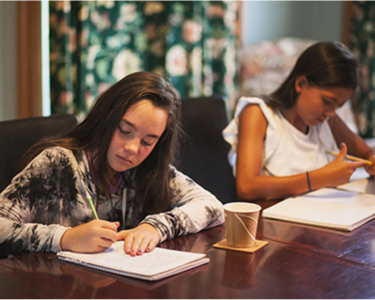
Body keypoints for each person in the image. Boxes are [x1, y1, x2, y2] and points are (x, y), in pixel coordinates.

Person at [0, 71, 224, 256]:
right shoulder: (57, 164)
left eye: (147, 142)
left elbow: (213, 207)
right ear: (106, 118)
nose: (132, 149)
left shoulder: (147, 169)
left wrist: (156, 227)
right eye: (125, 131)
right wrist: (65, 238)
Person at [223, 41, 375, 201]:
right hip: (272, 220)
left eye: (339, 105)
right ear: (301, 84)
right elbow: (247, 188)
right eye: (327, 101)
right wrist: (320, 178)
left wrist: (371, 160)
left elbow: (366, 153)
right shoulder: (258, 113)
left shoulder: (328, 121)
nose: (331, 112)